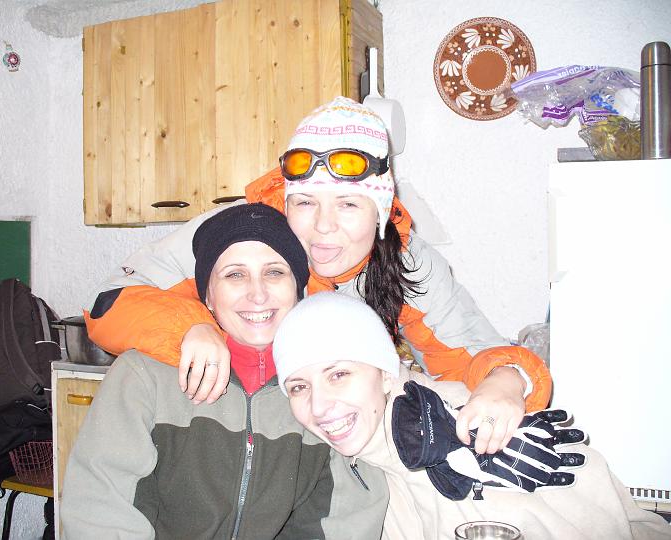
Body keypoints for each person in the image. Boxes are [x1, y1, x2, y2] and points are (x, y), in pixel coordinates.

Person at [85, 96, 551, 453]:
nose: (323, 227)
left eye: (347, 204)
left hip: (340, 439)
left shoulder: (406, 260)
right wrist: (192, 326)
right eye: (305, 202)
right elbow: (111, 303)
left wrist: (507, 382)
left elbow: (471, 354)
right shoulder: (241, 232)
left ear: (380, 211)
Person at [60, 204, 388, 539]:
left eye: (275, 272)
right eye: (235, 275)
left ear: (298, 289)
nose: (257, 294)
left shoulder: (331, 389)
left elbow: (344, 518)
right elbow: (99, 513)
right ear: (208, 297)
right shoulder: (143, 376)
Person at [272, 292, 671, 540]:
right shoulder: (363, 455)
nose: (319, 406)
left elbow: (623, 523)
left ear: (386, 374)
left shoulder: (466, 425)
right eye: (299, 387)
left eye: (339, 374)